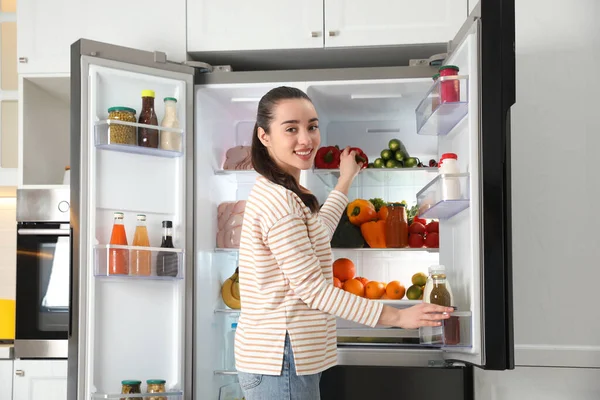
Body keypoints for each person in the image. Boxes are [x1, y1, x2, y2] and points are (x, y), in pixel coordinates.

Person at [235, 86, 453, 400]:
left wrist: (345, 180)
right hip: (280, 360)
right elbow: (313, 289)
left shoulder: (284, 191)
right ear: (264, 136)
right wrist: (398, 317)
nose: (306, 139)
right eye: (291, 129)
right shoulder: (280, 201)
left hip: (286, 358)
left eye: (311, 127)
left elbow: (317, 238)